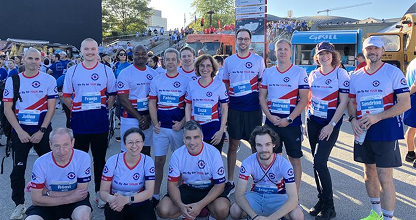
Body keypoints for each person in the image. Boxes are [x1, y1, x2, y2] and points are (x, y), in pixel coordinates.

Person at [348, 36, 410, 220]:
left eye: (376, 48)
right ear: (364, 51)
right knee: (369, 172)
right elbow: (351, 102)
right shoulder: (356, 75)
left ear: (383, 51)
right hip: (363, 131)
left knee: (384, 176)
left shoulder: (392, 72)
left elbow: (405, 103)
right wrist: (352, 119)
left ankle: (388, 217)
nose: (372, 52)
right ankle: (375, 214)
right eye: (368, 49)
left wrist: (378, 116)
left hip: (386, 129)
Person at [3, 48, 58, 220]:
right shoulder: (13, 80)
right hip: (20, 132)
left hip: (41, 130)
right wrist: (19, 131)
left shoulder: (48, 79)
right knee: (18, 170)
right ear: (23, 60)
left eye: (37, 59)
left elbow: (51, 109)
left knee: (50, 168)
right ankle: (19, 205)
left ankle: (52, 201)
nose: (34, 62)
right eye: (30, 58)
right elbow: (7, 109)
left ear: (41, 61)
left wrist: (42, 131)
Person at [62, 38, 117, 208]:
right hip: (79, 123)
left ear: (97, 50)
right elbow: (66, 97)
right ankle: (79, 194)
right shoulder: (73, 71)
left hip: (99, 123)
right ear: (81, 50)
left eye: (93, 49)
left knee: (100, 159)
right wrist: (78, 110)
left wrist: (102, 110)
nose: (90, 52)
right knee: (79, 161)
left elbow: (112, 95)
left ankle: (100, 194)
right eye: (86, 49)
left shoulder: (107, 71)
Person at [259, 39, 309, 194]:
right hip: (271, 122)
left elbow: (304, 100)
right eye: (279, 49)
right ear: (275, 52)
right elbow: (262, 98)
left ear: (291, 52)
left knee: (294, 159)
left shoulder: (299, 72)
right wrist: (270, 116)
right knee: (273, 159)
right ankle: (277, 191)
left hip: (291, 124)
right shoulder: (268, 72)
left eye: (285, 49)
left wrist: (289, 119)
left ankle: (295, 196)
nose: (282, 52)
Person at [306, 42, 350, 220]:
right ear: (317, 57)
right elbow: (309, 100)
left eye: (328, 54)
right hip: (313, 122)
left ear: (333, 55)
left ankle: (329, 207)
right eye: (321, 54)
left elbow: (344, 102)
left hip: (330, 124)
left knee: (320, 162)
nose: (324, 57)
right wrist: (304, 122)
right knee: (316, 164)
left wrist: (331, 125)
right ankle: (321, 200)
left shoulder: (341, 73)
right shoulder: (313, 74)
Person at [157, 120, 230, 220]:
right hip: (188, 188)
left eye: (196, 137)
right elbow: (172, 185)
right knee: (163, 210)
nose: (192, 142)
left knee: (223, 210)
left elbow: (220, 185)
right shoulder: (177, 155)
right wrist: (180, 205)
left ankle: (205, 211)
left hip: (209, 189)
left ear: (202, 137)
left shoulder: (213, 153)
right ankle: (186, 213)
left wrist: (200, 205)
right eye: (188, 138)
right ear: (183, 138)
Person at [222, 28, 265, 195]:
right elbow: (226, 84)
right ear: (236, 40)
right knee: (233, 146)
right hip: (235, 110)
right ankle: (230, 181)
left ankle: (257, 181)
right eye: (240, 39)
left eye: (246, 39)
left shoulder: (258, 60)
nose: (243, 42)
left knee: (256, 146)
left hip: (253, 110)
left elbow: (262, 85)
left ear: (250, 41)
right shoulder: (229, 61)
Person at [230, 125, 304, 220]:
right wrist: (254, 216)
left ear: (274, 144)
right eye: (259, 145)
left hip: (278, 197)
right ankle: (254, 215)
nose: (264, 149)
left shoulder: (284, 164)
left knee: (298, 215)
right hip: (256, 196)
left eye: (267, 144)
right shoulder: (247, 162)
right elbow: (239, 195)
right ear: (255, 146)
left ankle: (278, 216)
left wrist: (271, 218)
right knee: (234, 211)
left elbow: (293, 199)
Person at [148, 48, 190, 206]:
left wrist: (182, 123)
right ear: (162, 62)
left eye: (174, 59)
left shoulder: (186, 80)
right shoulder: (157, 80)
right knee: (158, 161)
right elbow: (152, 102)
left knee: (178, 163)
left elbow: (189, 105)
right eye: (168, 59)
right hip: (161, 128)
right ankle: (156, 194)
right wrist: (154, 122)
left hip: (178, 129)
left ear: (178, 62)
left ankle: (176, 193)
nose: (170, 62)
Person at [26, 128, 92, 220]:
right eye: (57, 146)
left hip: (68, 202)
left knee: (83, 216)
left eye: (66, 145)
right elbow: (36, 199)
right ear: (50, 145)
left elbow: (81, 193)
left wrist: (47, 192)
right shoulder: (40, 162)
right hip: (49, 204)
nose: (62, 151)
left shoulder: (83, 157)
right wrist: (70, 197)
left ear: (73, 142)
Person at [100, 128, 156, 220]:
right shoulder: (113, 161)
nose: (134, 146)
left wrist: (126, 200)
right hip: (115, 202)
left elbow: (149, 193)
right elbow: (103, 192)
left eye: (138, 141)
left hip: (138, 202)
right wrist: (113, 200)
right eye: (130, 142)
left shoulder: (147, 161)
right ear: (124, 144)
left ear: (143, 143)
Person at [117, 45, 157, 155]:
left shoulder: (154, 74)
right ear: (132, 55)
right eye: (137, 54)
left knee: (145, 150)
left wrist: (148, 117)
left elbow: (156, 99)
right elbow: (123, 100)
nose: (140, 56)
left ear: (147, 56)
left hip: (148, 118)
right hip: (130, 118)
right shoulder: (125, 73)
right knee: (128, 151)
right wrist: (140, 118)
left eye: (143, 54)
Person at [185, 54, 229, 151]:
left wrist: (222, 130)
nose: (205, 68)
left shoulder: (219, 85)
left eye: (208, 65)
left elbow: (224, 109)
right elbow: (188, 107)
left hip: (214, 131)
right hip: (195, 129)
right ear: (197, 67)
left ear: (213, 68)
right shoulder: (192, 84)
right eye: (202, 65)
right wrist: (188, 127)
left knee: (213, 162)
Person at [403, 57, 416, 168]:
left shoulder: (413, 63)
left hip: (412, 98)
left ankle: (410, 153)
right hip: (414, 95)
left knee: (412, 127)